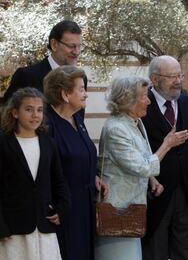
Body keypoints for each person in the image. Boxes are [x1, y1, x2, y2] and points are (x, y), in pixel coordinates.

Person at [95, 76, 188, 260]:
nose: (149, 101)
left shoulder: (135, 123)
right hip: (116, 213)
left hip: (132, 211)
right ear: (128, 100)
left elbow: (139, 157)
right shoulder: (116, 128)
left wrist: (152, 180)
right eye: (144, 96)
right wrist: (167, 145)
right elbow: (143, 167)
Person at [43, 65, 107, 260]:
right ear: (64, 94)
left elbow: (83, 155)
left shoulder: (77, 119)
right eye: (81, 89)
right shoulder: (47, 124)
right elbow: (44, 170)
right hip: (63, 210)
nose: (86, 94)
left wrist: (93, 175)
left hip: (85, 205)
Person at [141, 56, 188, 259]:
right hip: (156, 194)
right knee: (155, 250)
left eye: (179, 75)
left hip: (186, 191)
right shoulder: (141, 106)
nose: (178, 81)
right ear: (155, 79)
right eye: (171, 76)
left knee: (187, 249)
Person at [0, 87, 70, 260]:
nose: (35, 115)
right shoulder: (3, 144)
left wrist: (61, 208)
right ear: (15, 112)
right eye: (29, 109)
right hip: (14, 230)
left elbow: (59, 181)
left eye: (39, 110)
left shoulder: (48, 143)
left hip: (44, 226)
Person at [3, 20, 86, 103]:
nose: (76, 52)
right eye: (72, 46)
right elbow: (8, 112)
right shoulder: (26, 76)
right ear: (54, 45)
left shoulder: (81, 79)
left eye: (79, 46)